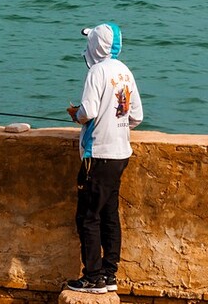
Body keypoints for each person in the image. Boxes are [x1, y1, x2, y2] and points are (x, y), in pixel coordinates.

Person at [64, 22, 143, 294]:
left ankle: (93, 277)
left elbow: (88, 111)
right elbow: (136, 116)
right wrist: (115, 124)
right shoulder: (124, 71)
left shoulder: (97, 72)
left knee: (87, 216)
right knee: (110, 214)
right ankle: (110, 274)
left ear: (96, 45)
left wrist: (75, 114)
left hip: (97, 155)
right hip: (121, 153)